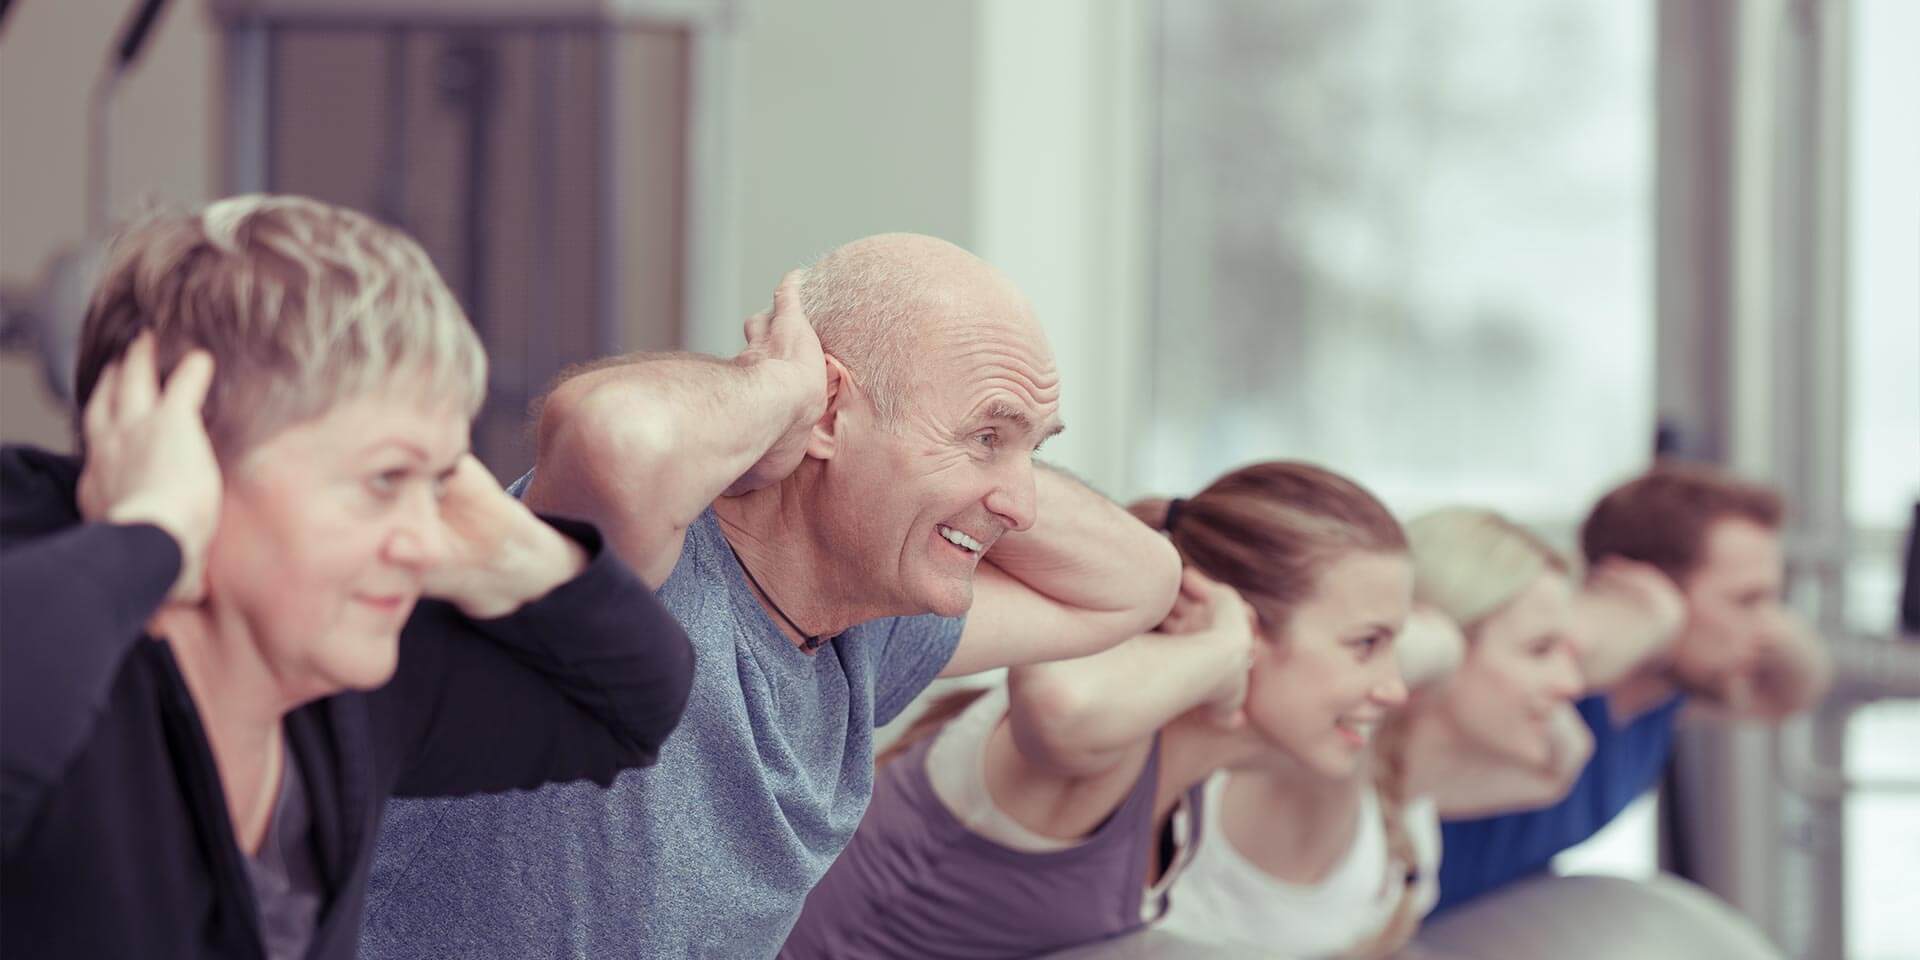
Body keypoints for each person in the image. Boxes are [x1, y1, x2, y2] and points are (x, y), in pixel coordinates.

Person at [360, 233, 1184, 958]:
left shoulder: (868, 625)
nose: (1023, 503)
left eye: (1030, 452)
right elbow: (617, 434)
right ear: (828, 411)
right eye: (985, 437)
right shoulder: (644, 559)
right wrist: (778, 389)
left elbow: (1135, 584)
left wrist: (994, 450)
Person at [0, 196, 695, 960]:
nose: (424, 537)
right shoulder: (58, 646)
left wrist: (512, 551)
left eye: (436, 482)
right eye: (385, 478)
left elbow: (634, 706)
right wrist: (147, 535)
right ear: (190, 458)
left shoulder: (347, 687)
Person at [783, 461, 1428, 959]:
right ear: (1244, 621)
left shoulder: (1183, 779)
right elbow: (1064, 706)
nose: (1394, 689)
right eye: (1366, 644)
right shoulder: (1108, 745)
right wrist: (1225, 645)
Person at [1148, 506, 1592, 959]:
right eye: (1540, 650)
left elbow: (1562, 765)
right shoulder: (1320, 770)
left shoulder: (1407, 812)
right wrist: (1437, 645)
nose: (1571, 683)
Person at [1431, 462, 1832, 912]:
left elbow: (1799, 685)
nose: (1766, 631)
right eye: (1746, 600)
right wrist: (1650, 613)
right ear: (1645, 586)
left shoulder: (1666, 703)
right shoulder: (1538, 686)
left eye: (1770, 601)